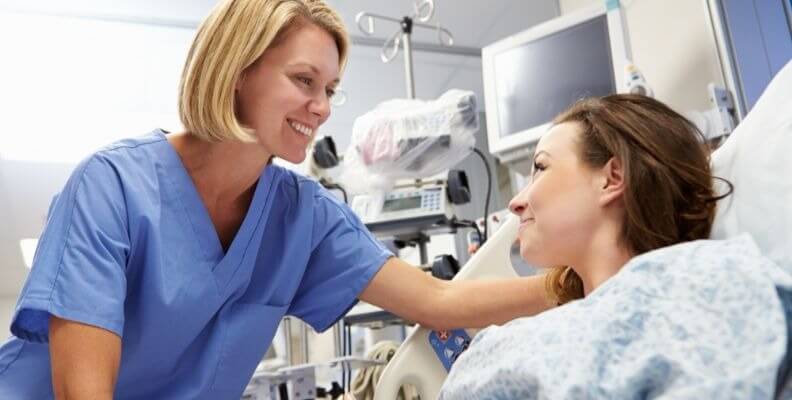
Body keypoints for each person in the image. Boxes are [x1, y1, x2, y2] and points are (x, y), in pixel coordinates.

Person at [0, 1, 553, 399]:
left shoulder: (303, 217)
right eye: (304, 80)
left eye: (330, 90)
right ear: (239, 71)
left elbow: (438, 303)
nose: (321, 107)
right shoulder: (111, 187)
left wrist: (573, 282)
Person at [439, 94, 746, 399]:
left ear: (611, 179)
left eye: (541, 167)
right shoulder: (726, 288)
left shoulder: (718, 284)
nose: (515, 202)